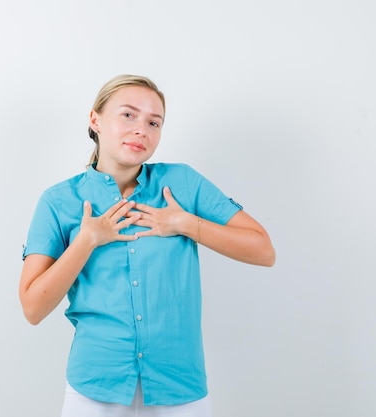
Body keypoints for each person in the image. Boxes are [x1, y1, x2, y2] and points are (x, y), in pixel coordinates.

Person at [19, 74, 275, 417]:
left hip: (180, 388)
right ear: (95, 119)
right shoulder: (58, 201)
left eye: (154, 122)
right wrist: (87, 240)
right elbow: (32, 308)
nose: (142, 129)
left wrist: (185, 223)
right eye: (128, 115)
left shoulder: (182, 183)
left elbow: (263, 249)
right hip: (94, 390)